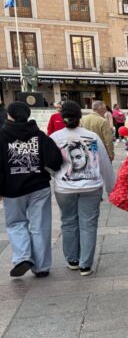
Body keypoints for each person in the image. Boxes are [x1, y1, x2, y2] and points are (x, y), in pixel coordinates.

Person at [50, 101, 115, 276]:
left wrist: (56, 175)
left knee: (68, 222)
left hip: (64, 187)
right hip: (91, 186)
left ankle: (72, 259)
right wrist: (111, 187)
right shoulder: (92, 137)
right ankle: (86, 264)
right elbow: (104, 163)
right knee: (88, 224)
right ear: (80, 117)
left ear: (62, 117)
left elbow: (48, 163)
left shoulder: (55, 137)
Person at [0, 102, 63, 277]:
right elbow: (55, 159)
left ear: (9, 115)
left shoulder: (3, 135)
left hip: (12, 189)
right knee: (40, 225)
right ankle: (42, 267)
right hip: (39, 186)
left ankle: (22, 257)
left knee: (15, 223)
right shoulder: (39, 135)